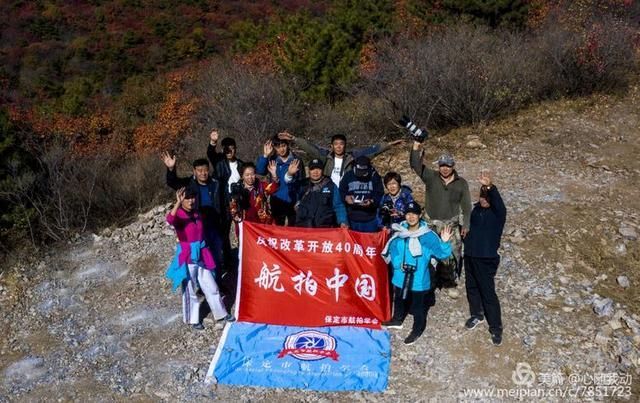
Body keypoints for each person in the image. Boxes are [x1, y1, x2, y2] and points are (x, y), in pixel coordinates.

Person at [381, 202, 453, 345]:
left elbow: (441, 254)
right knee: (400, 299)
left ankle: (417, 329)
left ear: (420, 215)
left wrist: (444, 242)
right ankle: (397, 319)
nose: (411, 217)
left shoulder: (428, 235)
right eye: (408, 213)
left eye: (414, 214)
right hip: (400, 275)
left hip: (419, 277)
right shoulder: (400, 231)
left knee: (418, 307)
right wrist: (396, 264)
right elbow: (393, 250)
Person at [165, 188, 234, 329]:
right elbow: (169, 220)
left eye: (192, 198)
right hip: (188, 256)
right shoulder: (179, 215)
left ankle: (221, 313)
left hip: (201, 254)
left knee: (211, 285)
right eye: (187, 198)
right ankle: (193, 319)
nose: (190, 201)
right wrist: (177, 203)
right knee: (190, 289)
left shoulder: (197, 214)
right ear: (181, 200)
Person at [410, 142, 472, 295]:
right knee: (427, 253)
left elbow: (466, 206)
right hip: (431, 223)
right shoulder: (431, 177)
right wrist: (416, 147)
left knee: (451, 254)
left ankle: (449, 282)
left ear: (453, 166)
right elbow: (415, 165)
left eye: (448, 165)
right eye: (442, 165)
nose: (445, 168)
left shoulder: (461, 183)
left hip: (450, 224)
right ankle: (429, 281)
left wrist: (466, 224)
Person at [463, 171, 507, 346]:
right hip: (470, 255)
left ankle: (496, 327)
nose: (483, 199)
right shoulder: (475, 211)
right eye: (482, 195)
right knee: (472, 287)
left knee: (488, 293)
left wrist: (490, 186)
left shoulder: (498, 213)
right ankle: (477, 314)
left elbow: (498, 202)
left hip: (486, 258)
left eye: (486, 196)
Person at [161, 153, 225, 271]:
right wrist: (171, 169)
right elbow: (172, 182)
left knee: (216, 255)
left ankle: (217, 284)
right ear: (194, 171)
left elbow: (223, 203)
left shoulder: (216, 183)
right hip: (198, 227)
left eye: (205, 170)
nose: (203, 173)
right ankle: (204, 285)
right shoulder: (189, 183)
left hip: (215, 225)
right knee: (202, 259)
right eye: (199, 170)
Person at [278, 131, 403, 187]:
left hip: (346, 193)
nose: (339, 146)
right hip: (328, 191)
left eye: (341, 144)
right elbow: (311, 148)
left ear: (345, 145)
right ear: (331, 146)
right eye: (336, 144)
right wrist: (294, 139)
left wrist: (388, 145)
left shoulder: (352, 157)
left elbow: (371, 151)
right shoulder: (325, 156)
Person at [256, 136, 304, 226]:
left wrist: (299, 200)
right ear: (274, 147)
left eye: (283, 146)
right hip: (277, 200)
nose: (281, 149)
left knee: (293, 230)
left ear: (287, 145)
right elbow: (260, 172)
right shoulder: (272, 160)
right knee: (277, 230)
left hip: (292, 201)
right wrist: (265, 156)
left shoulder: (296, 160)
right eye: (278, 147)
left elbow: (301, 182)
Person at [295, 158, 348, 228]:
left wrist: (343, 221)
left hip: (324, 229)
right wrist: (290, 175)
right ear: (309, 171)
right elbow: (289, 191)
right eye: (312, 169)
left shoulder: (331, 186)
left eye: (318, 169)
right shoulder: (302, 185)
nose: (315, 172)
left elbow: (338, 206)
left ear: (322, 170)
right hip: (304, 228)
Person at [229, 161, 279, 231]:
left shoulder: (261, 186)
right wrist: (236, 216)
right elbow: (232, 208)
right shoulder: (237, 189)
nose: (250, 177)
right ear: (242, 176)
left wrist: (274, 175)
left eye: (252, 174)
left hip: (262, 225)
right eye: (247, 175)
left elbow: (274, 188)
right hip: (245, 226)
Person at [339, 155, 384, 233]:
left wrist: (372, 201)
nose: (362, 175)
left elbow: (380, 194)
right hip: (352, 218)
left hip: (370, 218)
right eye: (359, 172)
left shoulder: (374, 176)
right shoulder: (348, 176)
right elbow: (340, 192)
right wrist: (346, 197)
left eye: (364, 173)